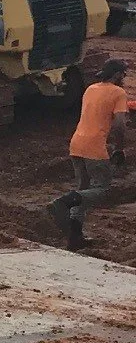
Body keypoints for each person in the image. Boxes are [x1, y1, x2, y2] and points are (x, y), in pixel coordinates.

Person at [49, 59, 129, 249]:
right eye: (124, 75)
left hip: (76, 144)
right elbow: (120, 124)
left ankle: (75, 238)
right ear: (117, 75)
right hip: (95, 147)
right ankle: (63, 201)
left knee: (83, 190)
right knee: (102, 189)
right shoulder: (119, 93)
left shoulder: (91, 88)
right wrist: (119, 148)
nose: (124, 78)